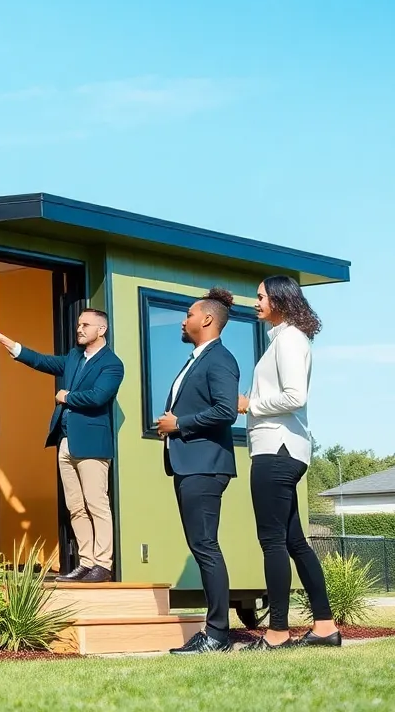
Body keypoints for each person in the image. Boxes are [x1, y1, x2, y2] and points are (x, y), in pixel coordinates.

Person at [0, 309, 125, 583]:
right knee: (76, 506)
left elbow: (99, 396)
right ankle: (87, 562)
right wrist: (2, 339)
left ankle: (103, 564)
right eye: (78, 324)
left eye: (85, 324)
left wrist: (67, 396)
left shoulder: (112, 364)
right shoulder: (75, 357)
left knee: (96, 504)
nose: (79, 328)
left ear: (101, 330)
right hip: (66, 442)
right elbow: (41, 361)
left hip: (92, 445)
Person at [237, 275, 340, 650]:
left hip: (276, 451)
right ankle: (325, 626)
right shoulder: (284, 339)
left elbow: (295, 396)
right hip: (283, 450)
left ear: (280, 300)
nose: (255, 301)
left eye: (260, 295)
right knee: (295, 541)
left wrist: (251, 405)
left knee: (272, 542)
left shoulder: (290, 340)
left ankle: (278, 631)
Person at [154, 287, 240, 655]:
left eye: (188, 314)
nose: (183, 319)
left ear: (206, 319)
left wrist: (180, 424)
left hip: (205, 465)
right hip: (188, 465)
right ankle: (215, 632)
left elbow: (226, 411)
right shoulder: (196, 359)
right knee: (201, 544)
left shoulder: (219, 359)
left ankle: (217, 635)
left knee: (205, 546)